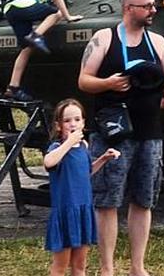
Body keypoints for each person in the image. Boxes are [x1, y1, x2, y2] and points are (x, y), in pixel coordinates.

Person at [78, 0, 164, 276]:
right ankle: (107, 268)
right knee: (107, 200)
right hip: (114, 134)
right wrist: (108, 83)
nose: (153, 10)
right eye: (146, 6)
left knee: (143, 200)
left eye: (153, 5)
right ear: (128, 8)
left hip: (149, 134)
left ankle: (138, 267)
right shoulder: (104, 39)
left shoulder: (158, 42)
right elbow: (84, 81)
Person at [44, 99, 120, 276]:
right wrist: (68, 143)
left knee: (80, 264)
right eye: (67, 120)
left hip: (83, 210)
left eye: (77, 119)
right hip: (65, 212)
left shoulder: (84, 146)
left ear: (84, 123)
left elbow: (86, 173)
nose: (73, 124)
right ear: (58, 126)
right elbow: (48, 162)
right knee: (60, 266)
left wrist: (103, 158)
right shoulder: (57, 148)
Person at [4, 0, 83, 102]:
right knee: (56, 13)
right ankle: (36, 36)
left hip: (11, 9)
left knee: (26, 49)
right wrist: (67, 16)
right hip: (23, 4)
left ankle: (13, 87)